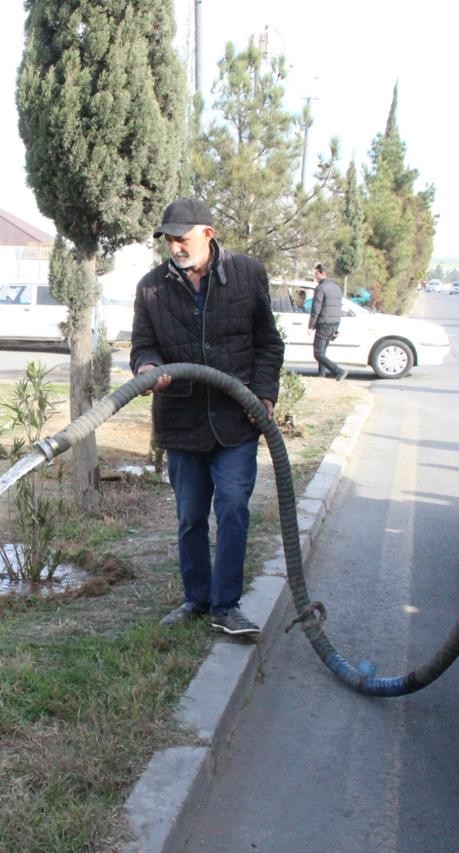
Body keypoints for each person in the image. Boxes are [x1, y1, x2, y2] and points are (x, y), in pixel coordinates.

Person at [131, 198, 285, 637]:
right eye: (169, 240)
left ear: (208, 234)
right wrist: (147, 368)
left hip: (237, 419)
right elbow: (143, 345)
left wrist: (264, 395)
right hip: (181, 421)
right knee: (190, 516)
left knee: (233, 509)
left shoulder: (247, 274)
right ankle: (196, 599)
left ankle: (227, 606)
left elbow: (268, 345)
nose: (175, 247)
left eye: (183, 238)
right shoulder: (151, 288)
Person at [309, 263, 347, 380]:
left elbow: (316, 309)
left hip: (324, 324)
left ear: (323, 274)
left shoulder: (320, 288)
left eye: (316, 273)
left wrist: (311, 326)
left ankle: (338, 371)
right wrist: (337, 328)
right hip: (334, 324)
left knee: (318, 353)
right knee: (323, 351)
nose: (315, 276)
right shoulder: (337, 288)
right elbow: (338, 308)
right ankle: (321, 376)